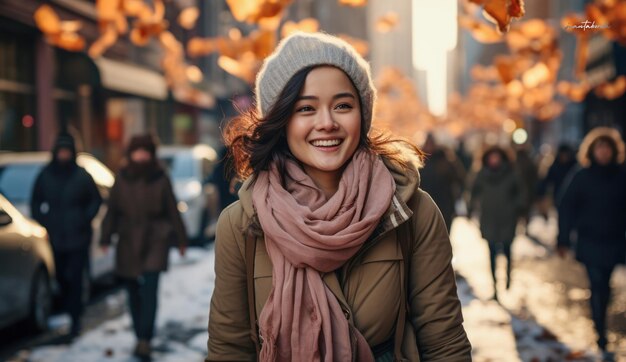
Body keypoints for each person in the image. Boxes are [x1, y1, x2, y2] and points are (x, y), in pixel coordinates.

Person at [206, 32, 471, 361]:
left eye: (343, 105)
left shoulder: (412, 211)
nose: (327, 123)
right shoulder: (240, 225)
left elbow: (444, 342)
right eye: (306, 108)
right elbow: (229, 351)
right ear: (281, 120)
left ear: (363, 114)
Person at [101, 134, 187, 360]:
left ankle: (145, 339)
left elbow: (172, 209)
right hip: (128, 240)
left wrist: (180, 238)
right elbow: (112, 209)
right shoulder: (121, 177)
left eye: (145, 151)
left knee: (150, 290)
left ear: (151, 154)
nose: (141, 156)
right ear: (130, 153)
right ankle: (139, 333)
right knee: (132, 291)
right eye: (137, 151)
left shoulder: (160, 177)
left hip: (155, 239)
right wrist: (105, 237)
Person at [557, 127, 626, 359]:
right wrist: (563, 239)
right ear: (592, 150)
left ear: (614, 151)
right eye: (600, 148)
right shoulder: (581, 176)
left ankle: (601, 318)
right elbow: (566, 206)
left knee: (605, 285)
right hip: (589, 240)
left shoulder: (621, 175)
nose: (604, 152)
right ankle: (600, 331)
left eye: (608, 148)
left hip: (614, 240)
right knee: (596, 283)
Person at [30, 132, 102, 339]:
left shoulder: (82, 175)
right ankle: (69, 310)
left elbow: (96, 200)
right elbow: (36, 201)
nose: (63, 155)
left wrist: (84, 218)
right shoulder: (46, 174)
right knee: (62, 278)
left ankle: (75, 319)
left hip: (79, 237)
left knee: (77, 277)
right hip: (56, 237)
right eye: (60, 151)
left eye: (67, 151)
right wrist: (45, 221)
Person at [468, 145, 524, 299]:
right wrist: (470, 208)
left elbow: (520, 192)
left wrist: (519, 208)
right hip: (489, 218)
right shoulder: (481, 174)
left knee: (507, 250)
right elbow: (473, 192)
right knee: (491, 252)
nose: (494, 160)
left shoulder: (511, 173)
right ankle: (495, 286)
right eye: (492, 157)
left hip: (507, 218)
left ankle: (507, 278)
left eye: (497, 157)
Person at [420, 133, 466, 231]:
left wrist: (457, 195)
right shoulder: (418, 161)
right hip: (424, 203)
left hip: (445, 202)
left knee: (444, 230)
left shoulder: (446, 159)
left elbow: (460, 178)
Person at [536, 143, 577, 214]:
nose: (564, 157)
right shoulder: (555, 167)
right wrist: (541, 193)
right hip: (558, 197)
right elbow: (546, 181)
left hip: (573, 199)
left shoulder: (574, 168)